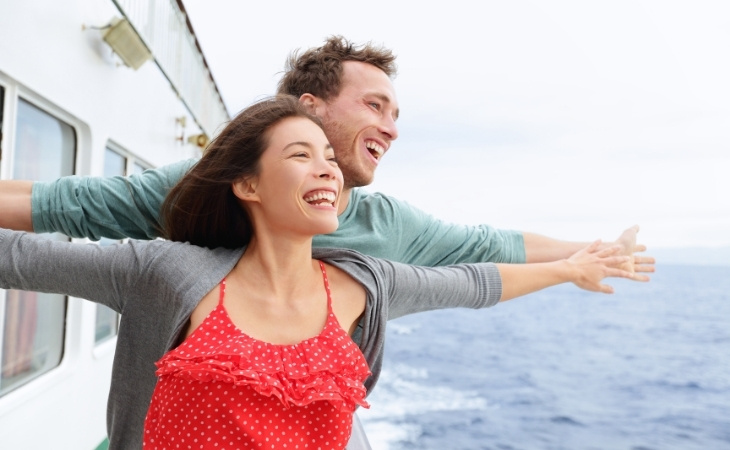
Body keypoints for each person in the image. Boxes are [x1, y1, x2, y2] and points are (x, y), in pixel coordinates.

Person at [0, 96, 646, 450]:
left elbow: (478, 281)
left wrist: (571, 268)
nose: (328, 169)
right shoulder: (168, 274)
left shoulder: (363, 286)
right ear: (248, 184)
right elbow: (19, 255)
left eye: (329, 160)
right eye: (301, 156)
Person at [0, 36, 653, 270]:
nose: (391, 128)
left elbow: (489, 245)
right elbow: (55, 205)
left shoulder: (383, 226)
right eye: (374, 105)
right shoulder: (208, 186)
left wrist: (588, 251)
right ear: (309, 108)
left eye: (396, 114)